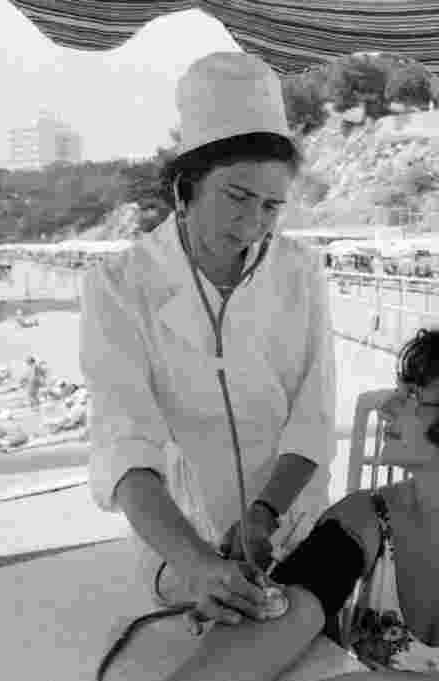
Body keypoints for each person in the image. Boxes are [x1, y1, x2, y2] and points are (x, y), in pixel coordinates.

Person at [165, 319, 439, 681]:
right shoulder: (365, 518)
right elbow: (291, 612)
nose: (388, 408)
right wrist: (245, 603)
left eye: (412, 395)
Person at [81, 52, 336, 626]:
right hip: (181, 545)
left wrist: (263, 516)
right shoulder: (119, 288)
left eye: (272, 206)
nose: (253, 225)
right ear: (186, 186)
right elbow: (127, 447)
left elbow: (312, 418)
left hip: (290, 526)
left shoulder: (300, 273)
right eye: (238, 198)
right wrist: (198, 564)